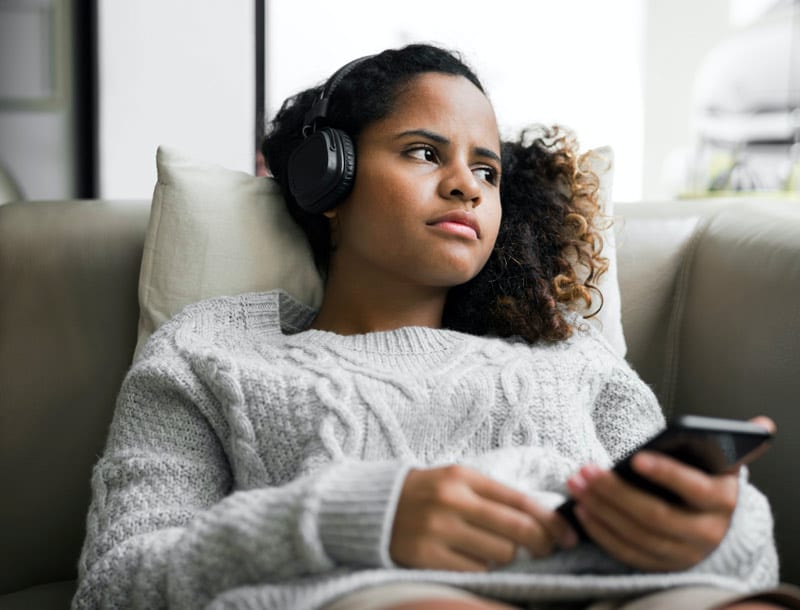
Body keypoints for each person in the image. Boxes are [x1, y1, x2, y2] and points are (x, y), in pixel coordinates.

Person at [73, 44, 796, 610]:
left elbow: (744, 561)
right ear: (328, 181)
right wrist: (353, 521)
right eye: (425, 152)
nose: (466, 186)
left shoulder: (571, 358)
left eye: (487, 171)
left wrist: (715, 534)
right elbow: (116, 584)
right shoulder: (209, 351)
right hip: (371, 594)